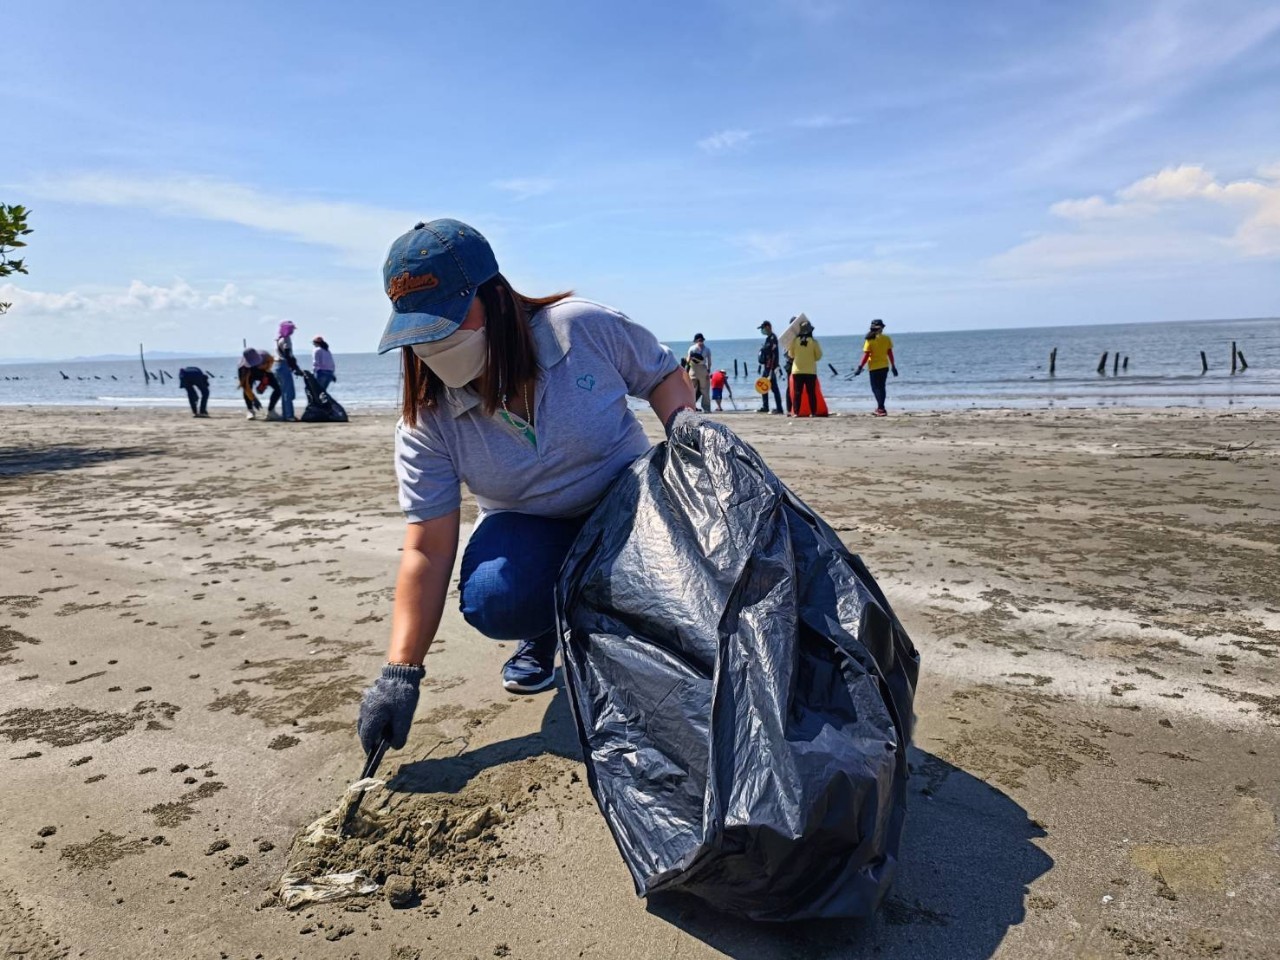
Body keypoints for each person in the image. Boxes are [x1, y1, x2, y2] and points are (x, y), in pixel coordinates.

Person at [356, 219, 696, 759]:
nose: (434, 342)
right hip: (528, 526)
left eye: (446, 319)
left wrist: (689, 439)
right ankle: (541, 631)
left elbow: (660, 375)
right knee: (497, 598)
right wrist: (401, 672)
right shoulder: (427, 419)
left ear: (493, 296)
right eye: (419, 330)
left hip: (626, 504)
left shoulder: (579, 329)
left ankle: (606, 625)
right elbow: (427, 546)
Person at [853, 318, 898, 416]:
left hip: (874, 368)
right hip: (884, 367)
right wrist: (893, 366)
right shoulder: (886, 339)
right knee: (882, 387)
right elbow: (890, 354)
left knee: (876, 388)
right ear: (881, 328)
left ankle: (881, 409)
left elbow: (866, 355)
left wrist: (860, 367)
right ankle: (881, 408)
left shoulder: (869, 340)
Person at [786, 318, 823, 417]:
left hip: (797, 370)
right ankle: (813, 412)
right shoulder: (814, 342)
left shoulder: (795, 341)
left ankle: (796, 412)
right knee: (811, 393)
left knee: (797, 393)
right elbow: (819, 356)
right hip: (810, 371)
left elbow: (791, 354)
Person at [275, 321, 302, 421]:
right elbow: (288, 355)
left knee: (284, 392)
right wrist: (295, 367)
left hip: (277, 366)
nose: (293, 331)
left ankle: (285, 414)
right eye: (291, 329)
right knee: (288, 392)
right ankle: (289, 415)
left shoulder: (279, 340)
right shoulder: (286, 340)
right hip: (284, 366)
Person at [756, 321, 784, 414]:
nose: (762, 331)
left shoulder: (773, 338)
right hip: (766, 367)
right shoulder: (768, 338)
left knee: (774, 388)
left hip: (771, 367)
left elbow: (773, 354)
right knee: (763, 385)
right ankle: (765, 406)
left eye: (763, 328)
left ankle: (779, 409)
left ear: (768, 327)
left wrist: (772, 369)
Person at [686, 334, 712, 413]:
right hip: (698, 368)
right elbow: (709, 362)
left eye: (700, 340)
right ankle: (703, 408)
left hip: (697, 368)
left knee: (697, 390)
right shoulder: (706, 349)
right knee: (700, 390)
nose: (700, 341)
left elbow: (688, 360)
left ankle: (695, 408)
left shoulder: (693, 348)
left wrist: (708, 370)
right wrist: (708, 370)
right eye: (700, 340)